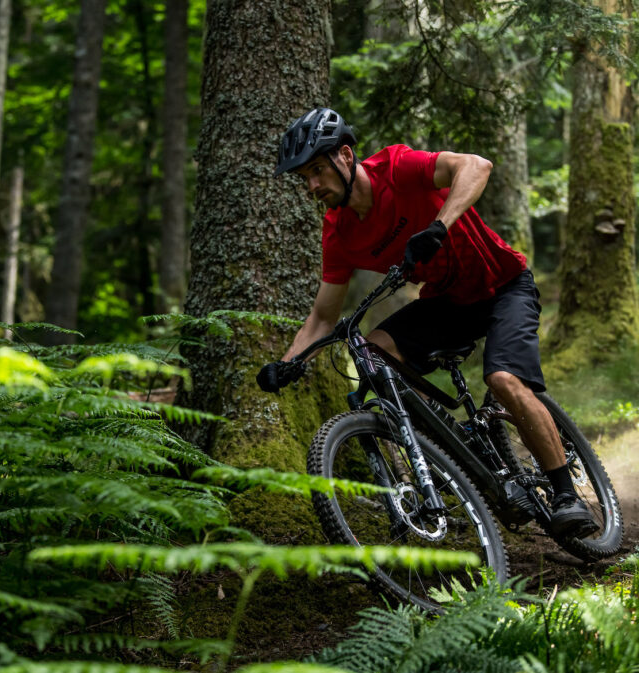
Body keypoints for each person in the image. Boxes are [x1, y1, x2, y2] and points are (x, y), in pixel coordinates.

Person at [256, 107, 597, 538]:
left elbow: (476, 166)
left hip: (504, 286)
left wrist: (439, 226)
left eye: (318, 171)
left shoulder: (396, 168)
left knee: (504, 380)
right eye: (304, 177)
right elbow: (323, 315)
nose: (312, 186)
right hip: (448, 303)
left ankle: (566, 493)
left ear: (346, 156)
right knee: (375, 352)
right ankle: (454, 444)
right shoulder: (338, 232)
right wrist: (288, 363)